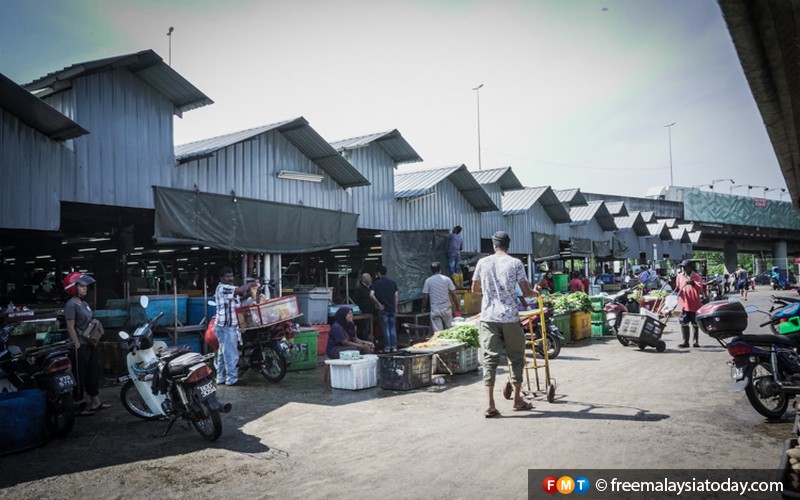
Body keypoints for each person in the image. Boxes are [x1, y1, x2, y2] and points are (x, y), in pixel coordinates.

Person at [471, 231, 540, 418]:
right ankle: (518, 400)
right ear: (508, 245)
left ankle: (490, 405)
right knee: (516, 358)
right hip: (510, 317)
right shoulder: (515, 263)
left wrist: (490, 293)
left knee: (489, 360)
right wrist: (536, 293)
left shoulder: (482, 263)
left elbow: (475, 289)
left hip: (488, 317)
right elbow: (525, 292)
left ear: (494, 245)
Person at [63, 272, 108, 416]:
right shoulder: (71, 305)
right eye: (81, 286)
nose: (85, 288)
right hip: (80, 345)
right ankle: (77, 405)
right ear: (73, 288)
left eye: (85, 286)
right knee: (79, 375)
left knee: (93, 372)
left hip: (91, 344)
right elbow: (70, 326)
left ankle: (95, 401)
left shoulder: (84, 304)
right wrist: (76, 344)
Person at [214, 266, 258, 386]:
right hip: (226, 326)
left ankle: (220, 377)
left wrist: (249, 294)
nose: (230, 278)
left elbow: (238, 297)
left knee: (223, 353)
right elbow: (238, 291)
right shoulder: (222, 288)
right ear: (221, 278)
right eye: (227, 276)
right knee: (230, 353)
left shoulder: (228, 289)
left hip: (224, 325)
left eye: (231, 276)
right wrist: (251, 283)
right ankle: (232, 379)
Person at [421, 262, 460, 332]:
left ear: (431, 270)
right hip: (446, 308)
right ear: (440, 270)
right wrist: (458, 307)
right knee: (450, 330)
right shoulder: (447, 279)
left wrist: (423, 308)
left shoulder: (428, 281)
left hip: (435, 309)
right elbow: (453, 294)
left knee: (438, 333)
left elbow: (425, 297)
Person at [370, 265, 399, 352]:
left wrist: (378, 304)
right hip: (392, 308)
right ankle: (394, 347)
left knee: (386, 328)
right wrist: (395, 307)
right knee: (392, 328)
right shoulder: (393, 283)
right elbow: (396, 296)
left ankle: (387, 347)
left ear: (379, 273)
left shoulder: (376, 284)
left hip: (383, 309)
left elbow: (371, 294)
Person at [675, 259, 703, 348]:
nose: (684, 269)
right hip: (683, 303)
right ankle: (685, 342)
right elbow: (677, 288)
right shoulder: (679, 276)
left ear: (690, 267)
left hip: (694, 303)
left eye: (685, 267)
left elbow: (700, 288)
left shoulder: (696, 276)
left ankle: (695, 341)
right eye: (682, 267)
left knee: (695, 323)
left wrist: (693, 283)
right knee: (684, 322)